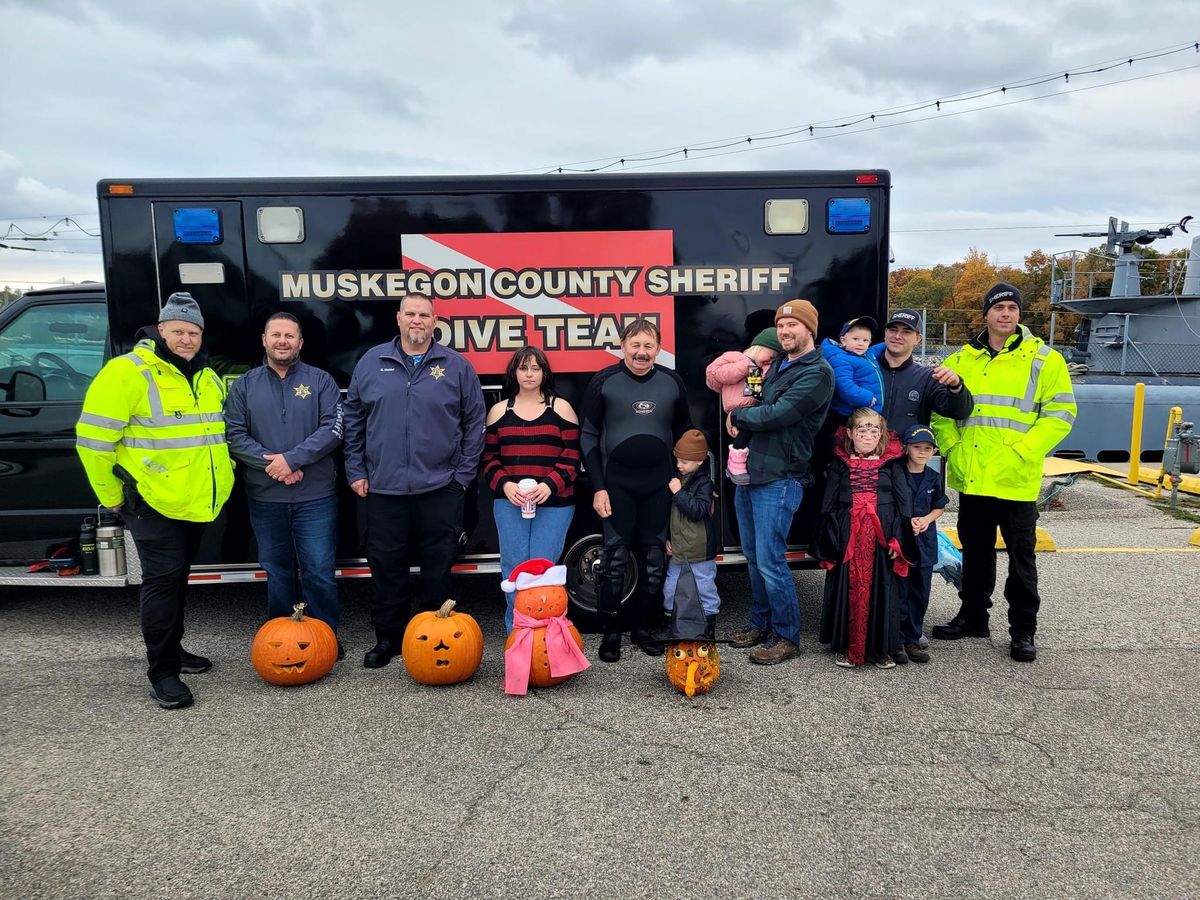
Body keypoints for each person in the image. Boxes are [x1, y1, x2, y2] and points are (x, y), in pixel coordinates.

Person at [75, 292, 234, 709]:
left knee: (178, 580)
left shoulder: (205, 377)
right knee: (162, 585)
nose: (187, 339)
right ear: (160, 330)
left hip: (195, 503)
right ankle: (163, 673)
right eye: (179, 331)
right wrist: (112, 497)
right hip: (151, 504)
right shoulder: (127, 372)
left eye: (193, 332)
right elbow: (92, 443)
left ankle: (175, 652)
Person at [930, 283, 1077, 662]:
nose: (1005, 314)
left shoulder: (1044, 360)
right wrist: (951, 448)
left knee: (1021, 561)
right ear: (986, 314)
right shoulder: (962, 360)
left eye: (1012, 307)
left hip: (1016, 479)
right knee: (976, 554)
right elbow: (940, 413)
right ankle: (974, 617)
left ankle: (1023, 630)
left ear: (1019, 314)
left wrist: (1021, 451)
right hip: (974, 476)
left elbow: (1061, 416)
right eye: (998, 308)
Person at [342, 293, 485, 669]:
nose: (417, 320)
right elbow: (353, 418)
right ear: (399, 318)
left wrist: (462, 477)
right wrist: (355, 470)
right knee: (386, 566)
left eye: (424, 314)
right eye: (411, 314)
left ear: (435, 321)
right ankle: (388, 639)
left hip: (440, 488)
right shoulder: (372, 362)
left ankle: (433, 637)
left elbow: (474, 423)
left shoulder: (455, 366)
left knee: (438, 566)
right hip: (384, 488)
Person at [225, 312, 345, 656]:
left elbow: (333, 429)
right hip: (266, 497)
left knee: (319, 572)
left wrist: (292, 460)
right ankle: (278, 641)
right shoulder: (245, 385)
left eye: (289, 336)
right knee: (278, 572)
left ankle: (325, 639)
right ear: (264, 339)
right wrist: (274, 465)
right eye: (275, 334)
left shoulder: (321, 381)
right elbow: (233, 435)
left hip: (316, 496)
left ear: (300, 343)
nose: (282, 341)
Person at [726, 300, 834, 665]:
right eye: (782, 327)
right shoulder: (780, 366)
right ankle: (760, 623)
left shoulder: (817, 372)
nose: (786, 332)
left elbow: (780, 414)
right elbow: (760, 397)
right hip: (751, 472)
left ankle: (787, 636)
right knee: (754, 557)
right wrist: (747, 404)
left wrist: (739, 414)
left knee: (771, 560)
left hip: (780, 477)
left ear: (809, 330)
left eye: (793, 326)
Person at [580, 317, 691, 663]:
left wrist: (687, 482)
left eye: (648, 346)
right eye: (635, 345)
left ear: (658, 349)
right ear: (623, 346)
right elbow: (588, 436)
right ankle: (611, 631)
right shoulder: (605, 381)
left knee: (655, 560)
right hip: (617, 486)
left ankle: (644, 628)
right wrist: (598, 487)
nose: (642, 352)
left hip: (658, 484)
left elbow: (685, 433)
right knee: (614, 561)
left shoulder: (671, 382)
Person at [481, 345, 580, 634]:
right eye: (523, 368)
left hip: (555, 504)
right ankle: (518, 634)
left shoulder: (560, 407)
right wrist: (506, 484)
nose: (529, 373)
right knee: (513, 567)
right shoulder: (499, 411)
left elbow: (573, 457)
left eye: (535, 368)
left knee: (542, 569)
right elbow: (488, 460)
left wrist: (550, 484)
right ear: (514, 372)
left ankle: (547, 636)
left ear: (544, 373)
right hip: (510, 504)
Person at [814, 409, 915, 669]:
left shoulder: (892, 463)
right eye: (861, 430)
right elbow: (829, 503)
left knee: (882, 587)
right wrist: (830, 538)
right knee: (847, 586)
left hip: (881, 536)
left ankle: (882, 649)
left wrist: (899, 540)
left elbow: (903, 505)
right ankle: (847, 646)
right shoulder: (840, 463)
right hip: (849, 533)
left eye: (874, 430)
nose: (868, 435)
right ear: (849, 433)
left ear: (881, 434)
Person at [866, 308, 974, 434]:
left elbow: (960, 412)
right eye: (893, 330)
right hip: (860, 453)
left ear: (918, 339)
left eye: (906, 332)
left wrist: (956, 386)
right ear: (885, 333)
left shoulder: (927, 378)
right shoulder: (864, 369)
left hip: (904, 453)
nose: (897, 336)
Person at [897, 423, 948, 664]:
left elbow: (939, 506)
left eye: (928, 448)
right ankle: (896, 638)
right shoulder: (896, 474)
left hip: (925, 542)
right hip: (902, 541)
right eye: (917, 447)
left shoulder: (934, 478)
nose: (922, 452)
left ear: (934, 452)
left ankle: (913, 638)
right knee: (900, 589)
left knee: (920, 591)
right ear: (907, 448)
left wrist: (926, 520)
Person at [704, 327, 781, 484]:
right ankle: (734, 463)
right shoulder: (735, 357)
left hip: (751, 408)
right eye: (770, 355)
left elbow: (757, 392)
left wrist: (760, 371)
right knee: (742, 434)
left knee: (748, 433)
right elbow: (717, 374)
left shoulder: (761, 369)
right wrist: (746, 366)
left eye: (774, 359)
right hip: (735, 406)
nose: (770, 360)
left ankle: (742, 465)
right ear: (759, 347)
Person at [663, 429, 719, 639]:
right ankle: (672, 627)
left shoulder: (704, 484)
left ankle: (708, 629)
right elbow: (671, 515)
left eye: (685, 462)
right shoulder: (678, 478)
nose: (679, 466)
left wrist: (678, 492)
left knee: (704, 587)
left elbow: (697, 511)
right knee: (671, 588)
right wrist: (667, 538)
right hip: (677, 547)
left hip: (699, 549)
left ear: (700, 461)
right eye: (678, 460)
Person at [821, 316, 885, 418]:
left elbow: (877, 349)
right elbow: (844, 386)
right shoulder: (840, 359)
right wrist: (866, 398)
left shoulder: (867, 354)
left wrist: (888, 342)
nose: (860, 343)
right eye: (855, 339)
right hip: (852, 414)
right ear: (843, 340)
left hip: (869, 412)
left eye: (865, 340)